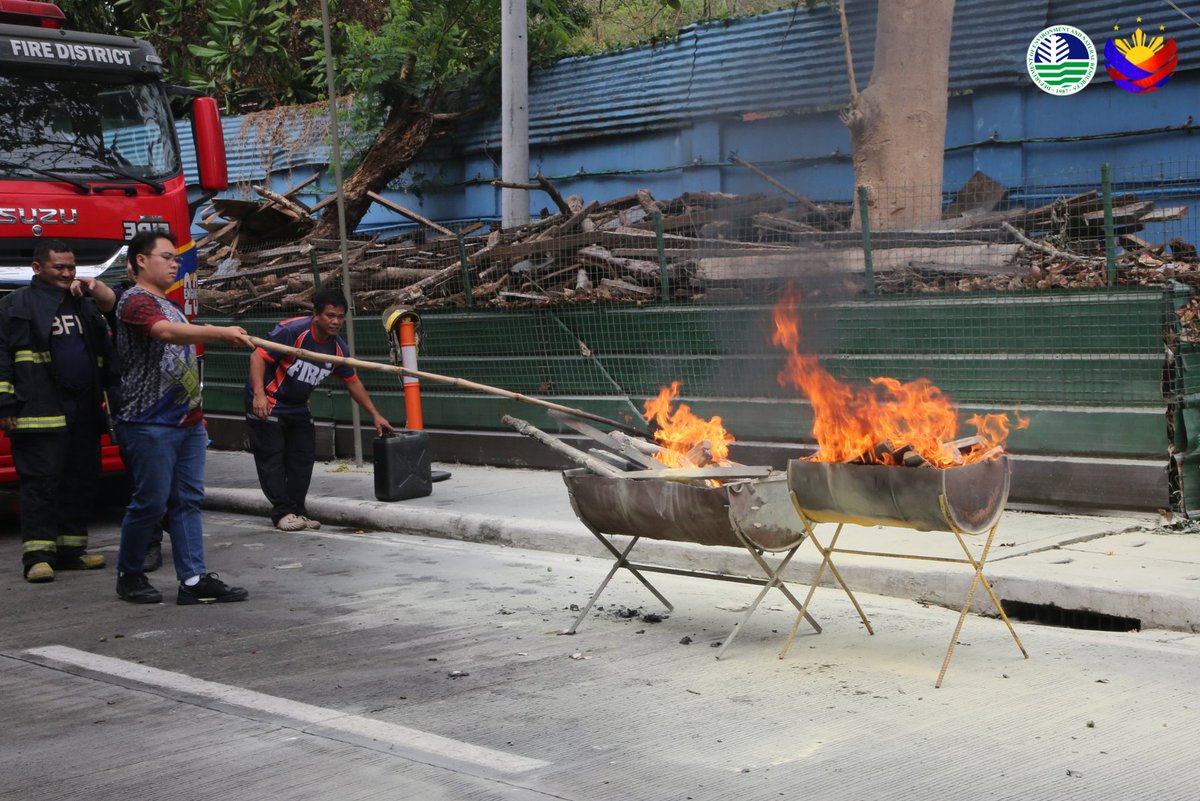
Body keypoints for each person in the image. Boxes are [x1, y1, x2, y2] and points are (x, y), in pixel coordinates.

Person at [113, 231, 254, 605]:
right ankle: (129, 573)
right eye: (167, 257)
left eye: (177, 258)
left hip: (187, 423)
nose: (176, 263)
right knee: (151, 502)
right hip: (148, 422)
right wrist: (219, 332)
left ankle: (192, 580)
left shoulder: (170, 304)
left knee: (187, 501)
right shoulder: (135, 301)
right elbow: (163, 333)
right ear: (141, 261)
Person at [0, 240, 116, 583]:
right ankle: (37, 556)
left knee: (80, 480)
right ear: (38, 269)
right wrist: (5, 403)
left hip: (82, 409)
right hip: (38, 409)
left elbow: (104, 348)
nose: (67, 273)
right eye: (59, 268)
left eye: (71, 267)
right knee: (41, 484)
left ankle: (71, 552)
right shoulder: (14, 305)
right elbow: (3, 356)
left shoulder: (82, 303)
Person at [246, 288, 394, 531]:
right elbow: (258, 357)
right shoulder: (292, 331)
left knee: (302, 459)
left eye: (340, 316)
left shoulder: (338, 350)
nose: (336, 321)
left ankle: (297, 511)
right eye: (330, 315)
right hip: (269, 401)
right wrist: (259, 396)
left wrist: (375, 415)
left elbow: (352, 382)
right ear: (316, 315)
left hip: (298, 406)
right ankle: (283, 513)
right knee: (271, 458)